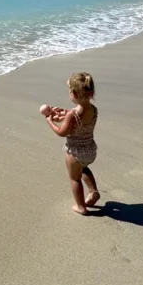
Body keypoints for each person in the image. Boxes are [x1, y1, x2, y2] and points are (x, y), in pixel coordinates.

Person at [43, 72, 101, 215]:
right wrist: (65, 113)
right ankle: (93, 192)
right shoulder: (93, 109)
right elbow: (79, 117)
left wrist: (49, 121)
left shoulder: (72, 115)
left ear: (74, 94)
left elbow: (62, 132)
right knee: (84, 168)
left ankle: (81, 207)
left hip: (75, 153)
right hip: (90, 149)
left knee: (74, 178)